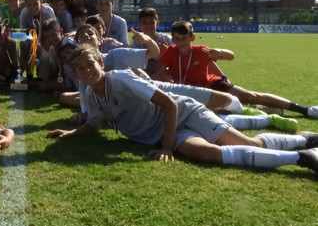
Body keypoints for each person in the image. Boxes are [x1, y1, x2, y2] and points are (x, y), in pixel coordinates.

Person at [46, 45, 318, 173]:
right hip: (166, 130)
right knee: (207, 154)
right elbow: (93, 124)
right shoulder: (92, 96)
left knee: (246, 143)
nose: (86, 71)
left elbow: (170, 103)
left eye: (90, 65)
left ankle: (304, 139)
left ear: (101, 64)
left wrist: (166, 147)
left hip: (183, 113)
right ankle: (305, 158)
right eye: (80, 69)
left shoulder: (122, 78)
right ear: (77, 76)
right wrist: (71, 133)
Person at [159, 21, 318, 118]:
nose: (181, 43)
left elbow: (231, 56)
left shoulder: (202, 50)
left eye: (184, 39)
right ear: (172, 39)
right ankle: (263, 110)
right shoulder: (170, 52)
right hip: (189, 91)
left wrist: (219, 52)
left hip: (213, 86)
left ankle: (304, 110)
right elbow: (157, 73)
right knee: (216, 112)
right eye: (177, 39)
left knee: (250, 95)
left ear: (192, 38)